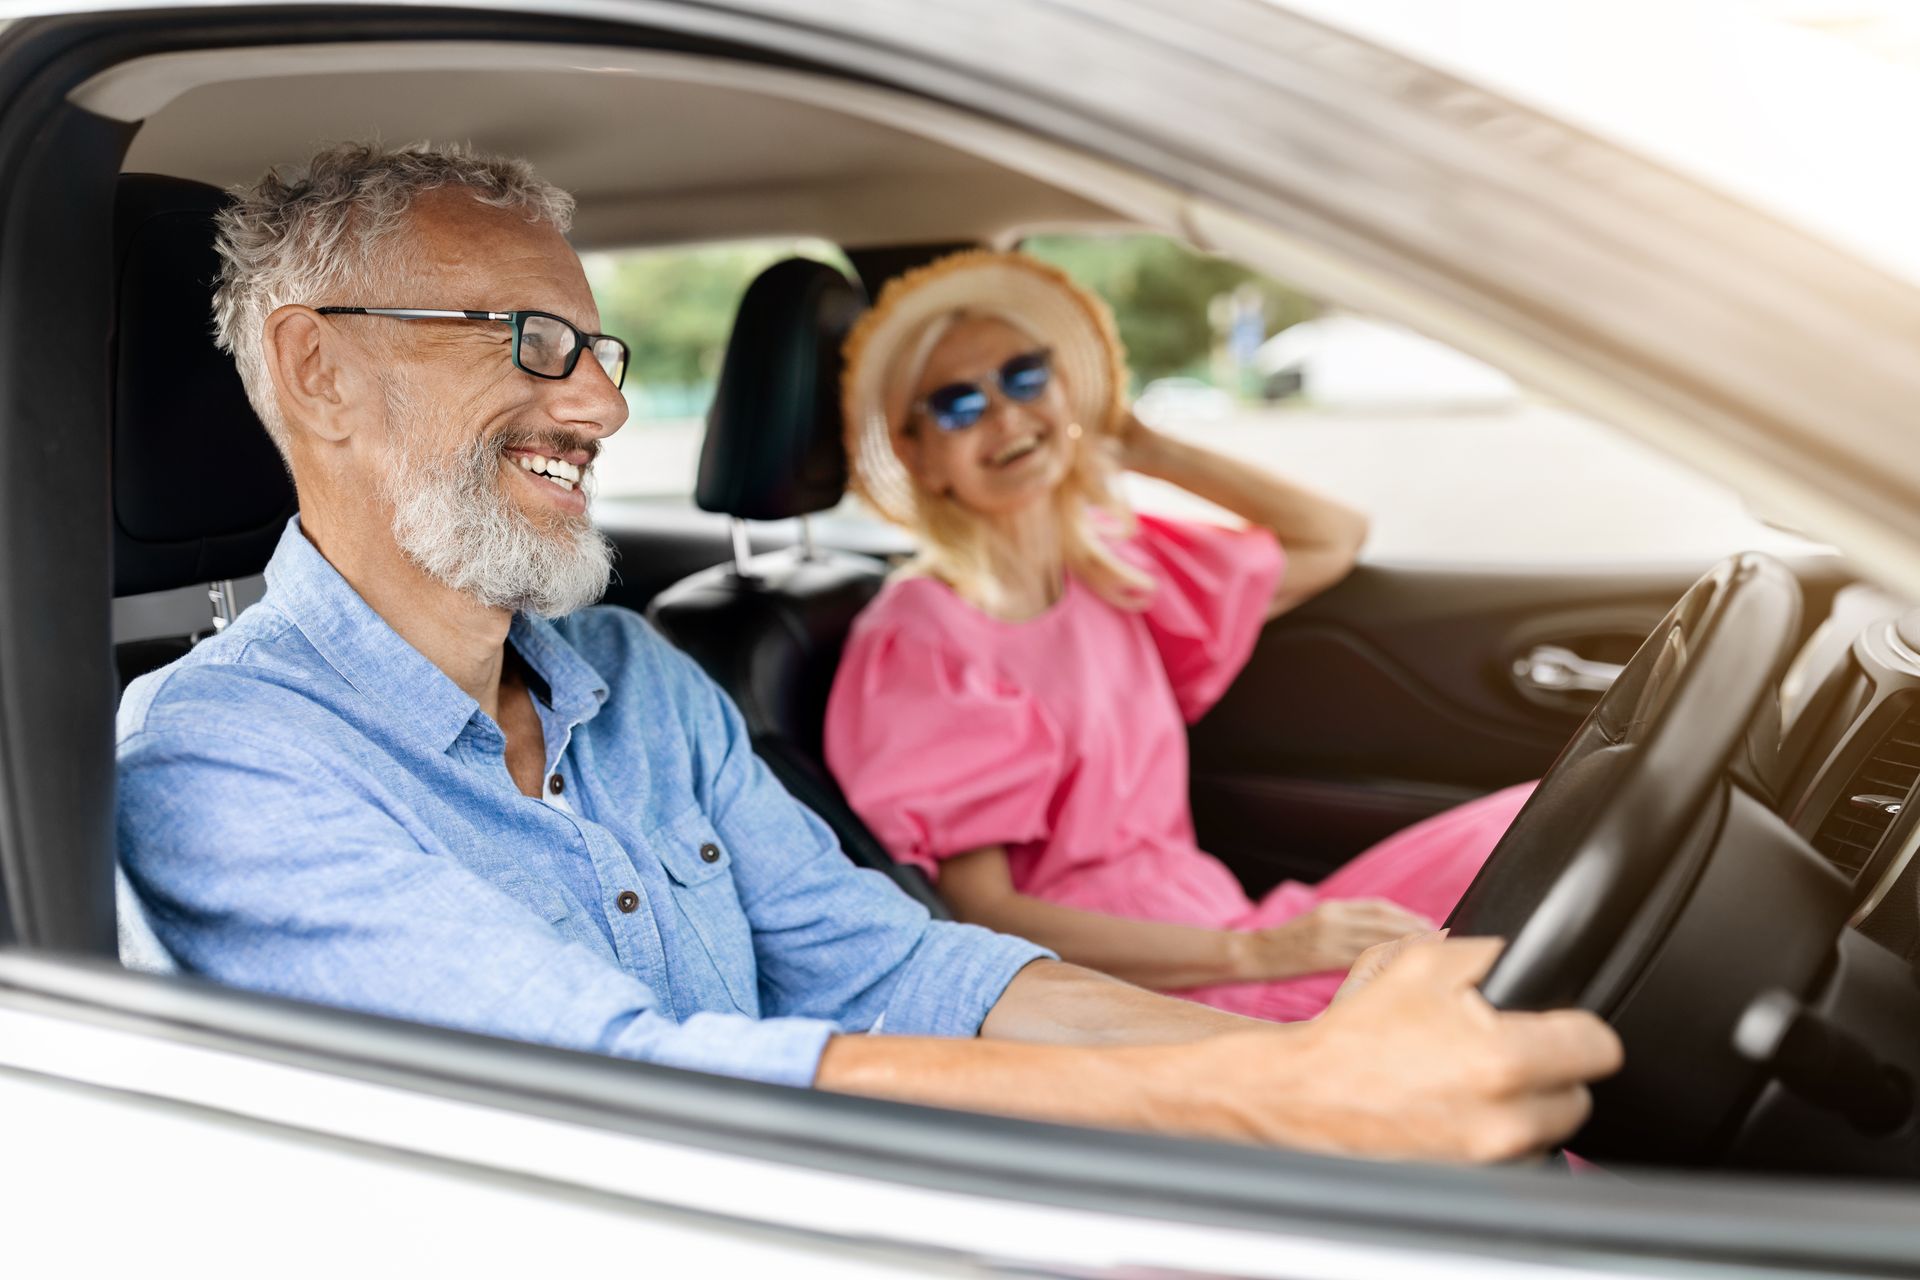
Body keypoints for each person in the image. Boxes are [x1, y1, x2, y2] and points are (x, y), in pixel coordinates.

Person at [116, 140, 1617, 1164]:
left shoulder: (637, 681)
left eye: (598, 351)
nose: (602, 410)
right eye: (529, 343)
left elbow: (899, 962)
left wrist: (1312, 1043)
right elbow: (618, 1086)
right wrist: (1271, 1085)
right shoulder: (221, 760)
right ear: (318, 369)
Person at [825, 250, 1534, 1021]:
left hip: (1228, 923)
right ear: (919, 458)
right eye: (958, 405)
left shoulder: (1112, 562)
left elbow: (1332, 536)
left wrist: (1144, 446)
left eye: (1026, 376)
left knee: (1533, 825)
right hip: (1132, 983)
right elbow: (983, 915)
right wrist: (1264, 953)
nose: (1004, 415)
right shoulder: (923, 633)